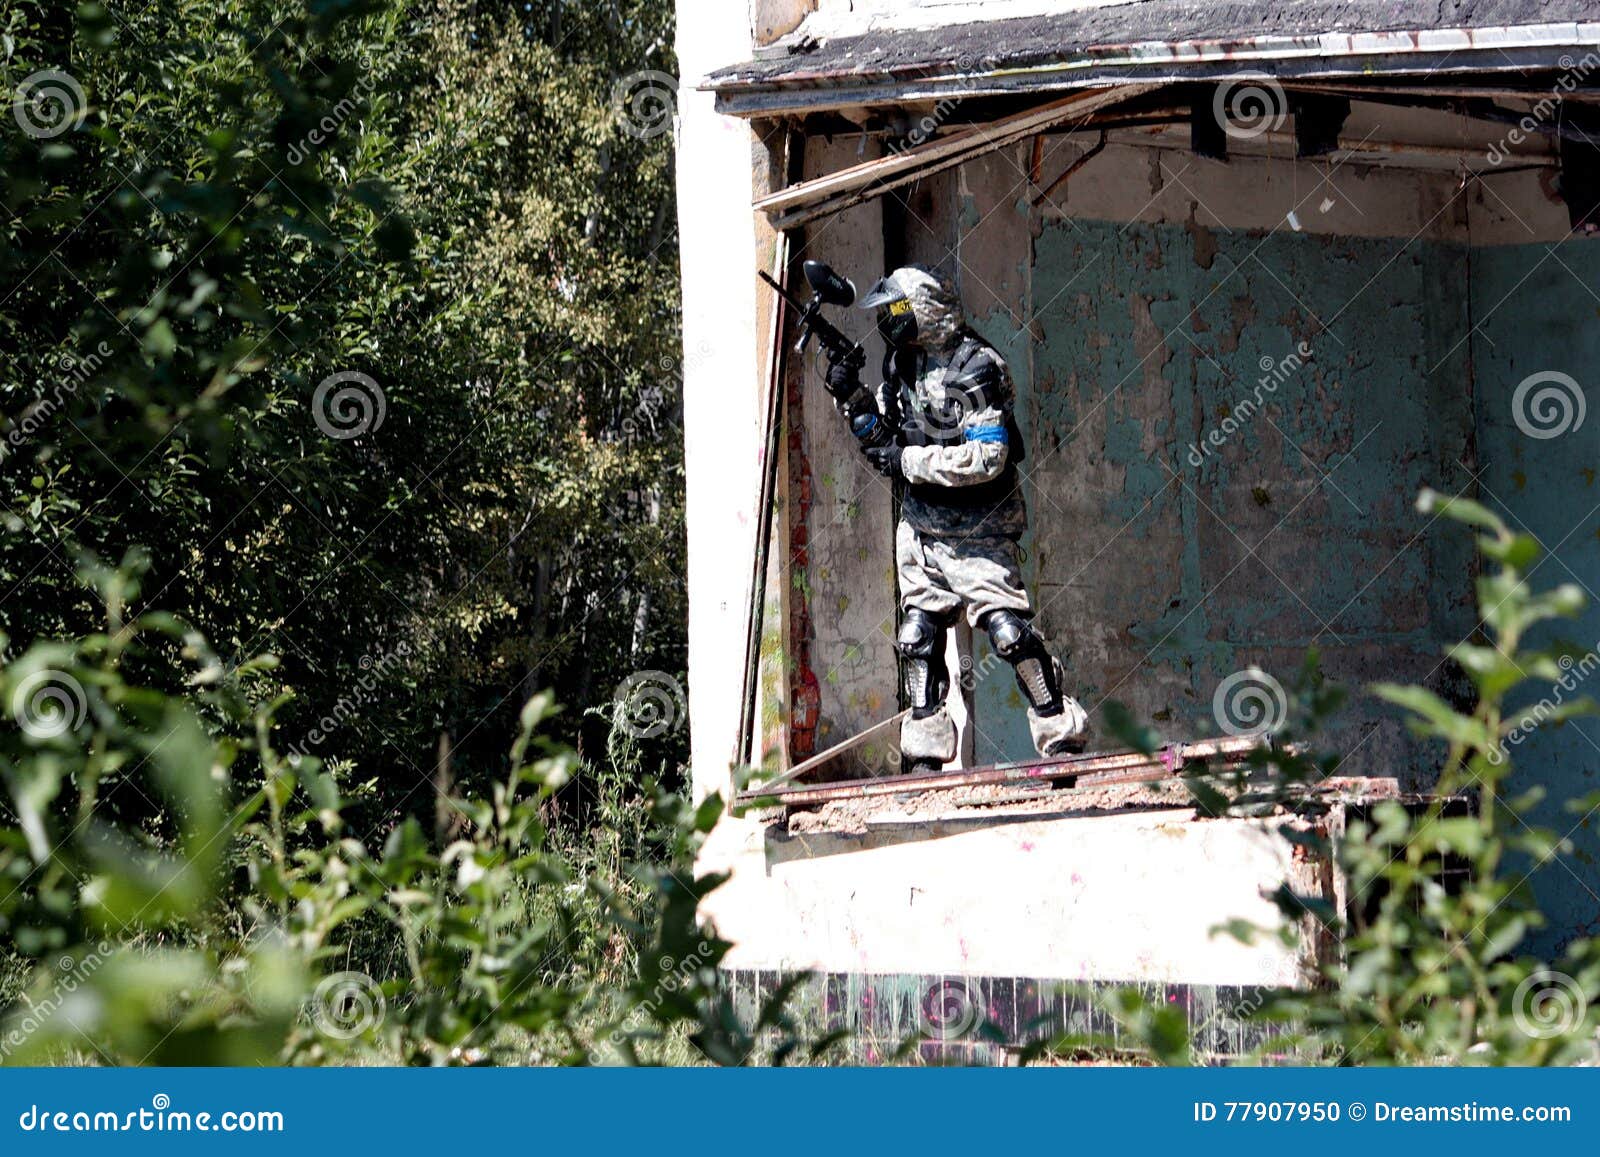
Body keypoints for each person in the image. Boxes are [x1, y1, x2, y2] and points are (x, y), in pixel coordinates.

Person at [823, 264, 1090, 773]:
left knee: (1008, 633)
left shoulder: (975, 367)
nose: (888, 323)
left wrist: (910, 461)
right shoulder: (902, 366)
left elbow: (989, 456)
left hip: (980, 528)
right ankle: (924, 752)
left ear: (922, 312)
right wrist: (850, 396)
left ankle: (1061, 739)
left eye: (896, 312)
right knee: (918, 636)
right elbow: (884, 437)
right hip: (921, 528)